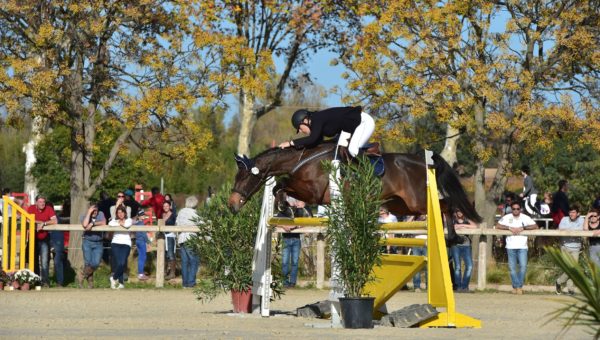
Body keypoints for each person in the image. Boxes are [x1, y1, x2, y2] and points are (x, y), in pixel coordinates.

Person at [278, 106, 375, 158]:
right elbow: (316, 142)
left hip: (363, 122)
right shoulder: (317, 121)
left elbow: (312, 139)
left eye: (299, 128)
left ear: (305, 121)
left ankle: (371, 174)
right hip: (352, 127)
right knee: (338, 152)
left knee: (353, 150)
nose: (300, 131)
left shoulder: (317, 119)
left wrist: (291, 143)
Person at [495, 201, 538, 295]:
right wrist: (509, 228)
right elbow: (498, 225)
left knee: (523, 267)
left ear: (520, 209)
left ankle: (517, 287)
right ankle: (518, 287)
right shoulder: (507, 217)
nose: (515, 210)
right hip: (510, 247)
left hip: (522, 247)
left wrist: (523, 228)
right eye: (513, 209)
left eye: (517, 209)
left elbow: (535, 226)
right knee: (512, 268)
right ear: (511, 209)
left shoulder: (525, 217)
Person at [26, 195, 57, 287]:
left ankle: (45, 282)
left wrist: (44, 223)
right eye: (40, 202)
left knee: (44, 261)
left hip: (44, 238)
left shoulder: (48, 208)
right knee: (33, 260)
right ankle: (35, 281)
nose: (42, 204)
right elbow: (27, 220)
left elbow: (55, 221)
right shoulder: (31, 208)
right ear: (36, 202)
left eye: (43, 202)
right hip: (33, 238)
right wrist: (38, 222)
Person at [280, 197, 310, 288]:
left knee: (295, 262)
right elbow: (275, 222)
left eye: (295, 201)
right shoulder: (283, 211)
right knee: (285, 262)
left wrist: (299, 226)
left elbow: (307, 220)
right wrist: (283, 226)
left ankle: (292, 283)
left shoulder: (299, 212)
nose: (293, 203)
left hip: (296, 239)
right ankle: (285, 282)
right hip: (286, 239)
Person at [555, 205, 584, 295]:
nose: (571, 214)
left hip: (576, 248)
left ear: (578, 213)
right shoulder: (564, 219)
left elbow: (581, 229)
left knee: (573, 269)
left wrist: (568, 230)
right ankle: (562, 284)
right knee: (568, 268)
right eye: (570, 212)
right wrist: (572, 231)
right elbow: (560, 229)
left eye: (573, 212)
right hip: (565, 247)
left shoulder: (581, 220)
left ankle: (562, 283)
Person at [450, 209, 478, 292]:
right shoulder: (452, 219)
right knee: (457, 267)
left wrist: (463, 226)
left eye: (461, 211)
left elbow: (475, 226)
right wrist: (457, 226)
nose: (459, 212)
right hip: (456, 245)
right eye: (458, 211)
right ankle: (458, 286)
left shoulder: (467, 219)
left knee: (469, 266)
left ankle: (465, 286)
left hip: (466, 245)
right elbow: (451, 226)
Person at [79, 203, 106, 288]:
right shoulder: (84, 215)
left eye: (96, 210)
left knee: (95, 263)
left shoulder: (101, 214)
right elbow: (84, 224)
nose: (95, 212)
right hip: (87, 241)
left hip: (98, 242)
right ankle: (90, 283)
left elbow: (104, 222)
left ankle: (82, 275)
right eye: (93, 210)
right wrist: (89, 213)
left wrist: (93, 224)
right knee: (88, 263)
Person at [176, 196, 201, 288]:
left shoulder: (181, 212)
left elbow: (177, 223)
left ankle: (185, 283)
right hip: (191, 238)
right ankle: (191, 282)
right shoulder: (194, 213)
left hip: (182, 238)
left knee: (185, 262)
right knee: (194, 261)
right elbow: (201, 224)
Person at [109, 205, 132, 289]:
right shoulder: (114, 221)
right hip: (115, 243)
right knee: (119, 263)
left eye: (122, 212)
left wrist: (119, 223)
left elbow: (127, 225)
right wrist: (119, 223)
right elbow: (110, 223)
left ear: (125, 213)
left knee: (122, 263)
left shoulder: (129, 219)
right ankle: (121, 283)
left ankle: (113, 278)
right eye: (118, 212)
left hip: (126, 244)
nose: (120, 214)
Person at [410, 215, 427, 292]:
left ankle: (429, 286)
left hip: (426, 244)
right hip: (416, 244)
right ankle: (417, 286)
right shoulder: (414, 221)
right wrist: (412, 216)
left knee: (428, 266)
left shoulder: (429, 219)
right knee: (416, 266)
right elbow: (407, 224)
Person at [162, 201, 178, 280]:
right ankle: (164, 272)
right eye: (164, 206)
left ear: (170, 206)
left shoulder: (173, 215)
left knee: (171, 254)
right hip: (163, 236)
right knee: (165, 255)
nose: (165, 207)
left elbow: (176, 224)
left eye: (167, 205)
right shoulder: (163, 215)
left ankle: (172, 273)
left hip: (170, 236)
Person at [134, 210, 150, 281]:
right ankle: (141, 274)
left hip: (137, 241)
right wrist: (148, 242)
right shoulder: (141, 224)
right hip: (141, 241)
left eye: (144, 215)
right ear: (139, 216)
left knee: (141, 257)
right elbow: (144, 234)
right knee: (143, 257)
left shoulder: (137, 223)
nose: (143, 216)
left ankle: (140, 272)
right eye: (142, 215)